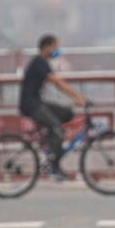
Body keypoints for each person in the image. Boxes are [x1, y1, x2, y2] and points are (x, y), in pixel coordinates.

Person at [19, 35, 87, 179]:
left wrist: (76, 99)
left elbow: (57, 83)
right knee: (58, 129)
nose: (57, 50)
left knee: (67, 113)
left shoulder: (42, 62)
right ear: (46, 47)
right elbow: (57, 83)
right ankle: (54, 167)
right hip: (31, 105)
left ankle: (51, 145)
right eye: (55, 47)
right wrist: (79, 97)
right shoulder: (39, 62)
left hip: (37, 102)